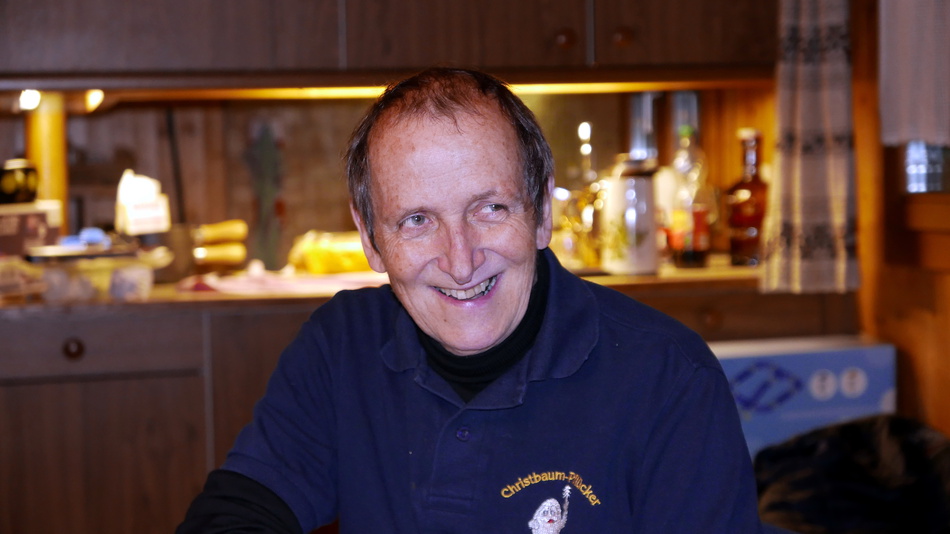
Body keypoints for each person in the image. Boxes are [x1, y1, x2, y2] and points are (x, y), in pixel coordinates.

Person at [177, 67, 765, 533]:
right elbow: (235, 513)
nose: (460, 261)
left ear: (541, 211)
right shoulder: (341, 345)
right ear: (371, 239)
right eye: (416, 220)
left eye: (490, 208)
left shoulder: (669, 378)